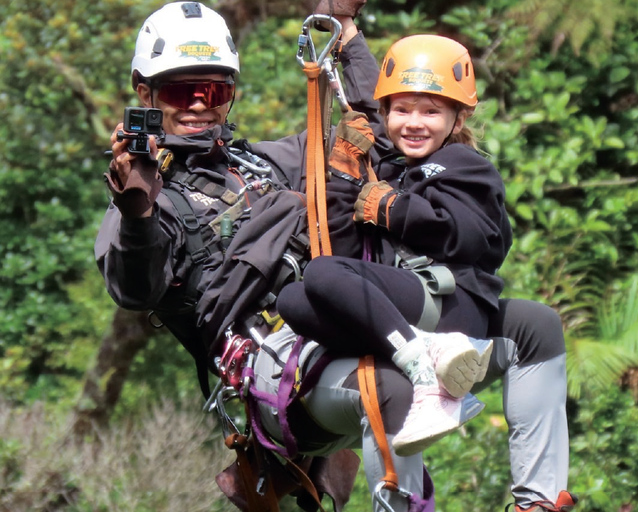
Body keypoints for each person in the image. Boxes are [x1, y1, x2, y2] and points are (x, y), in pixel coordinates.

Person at [94, 1, 574, 510]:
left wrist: (345, 35)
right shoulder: (148, 201)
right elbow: (136, 288)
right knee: (391, 389)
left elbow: (386, 132)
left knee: (533, 326)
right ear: (144, 93)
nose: (198, 105)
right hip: (283, 366)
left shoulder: (269, 162)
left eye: (213, 90)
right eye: (178, 91)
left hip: (363, 317)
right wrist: (138, 215)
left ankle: (537, 501)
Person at [275, 34, 512, 458]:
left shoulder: (465, 166)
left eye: (431, 112)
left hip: (452, 303)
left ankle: (424, 374)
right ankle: (416, 350)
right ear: (386, 115)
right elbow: (344, 253)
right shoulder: (392, 170)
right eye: (401, 110)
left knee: (322, 273)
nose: (414, 122)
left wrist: (392, 209)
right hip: (409, 311)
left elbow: (468, 237)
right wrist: (346, 175)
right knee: (294, 299)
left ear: (457, 121)